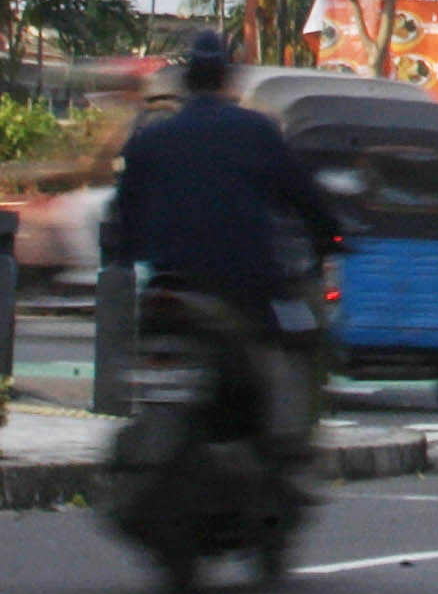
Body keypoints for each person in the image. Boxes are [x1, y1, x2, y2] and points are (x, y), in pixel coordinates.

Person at [100, 30, 344, 456]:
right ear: (228, 80)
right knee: (302, 337)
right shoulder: (256, 132)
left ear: (186, 83)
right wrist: (331, 236)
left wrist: (123, 254)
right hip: (243, 289)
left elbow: (121, 222)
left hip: (167, 286)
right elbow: (306, 200)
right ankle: (291, 447)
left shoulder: (151, 139)